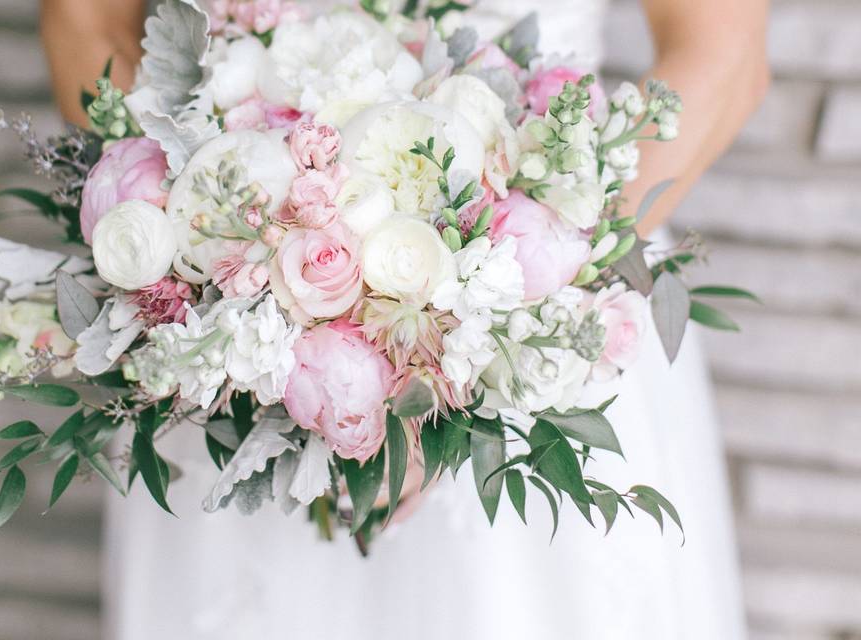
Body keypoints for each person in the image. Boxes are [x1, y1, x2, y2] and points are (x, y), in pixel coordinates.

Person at [40, 1, 770, 638]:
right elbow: (87, 21)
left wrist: (484, 342)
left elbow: (723, 53)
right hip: (229, 364)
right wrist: (208, 279)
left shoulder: (520, 322)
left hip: (542, 327)